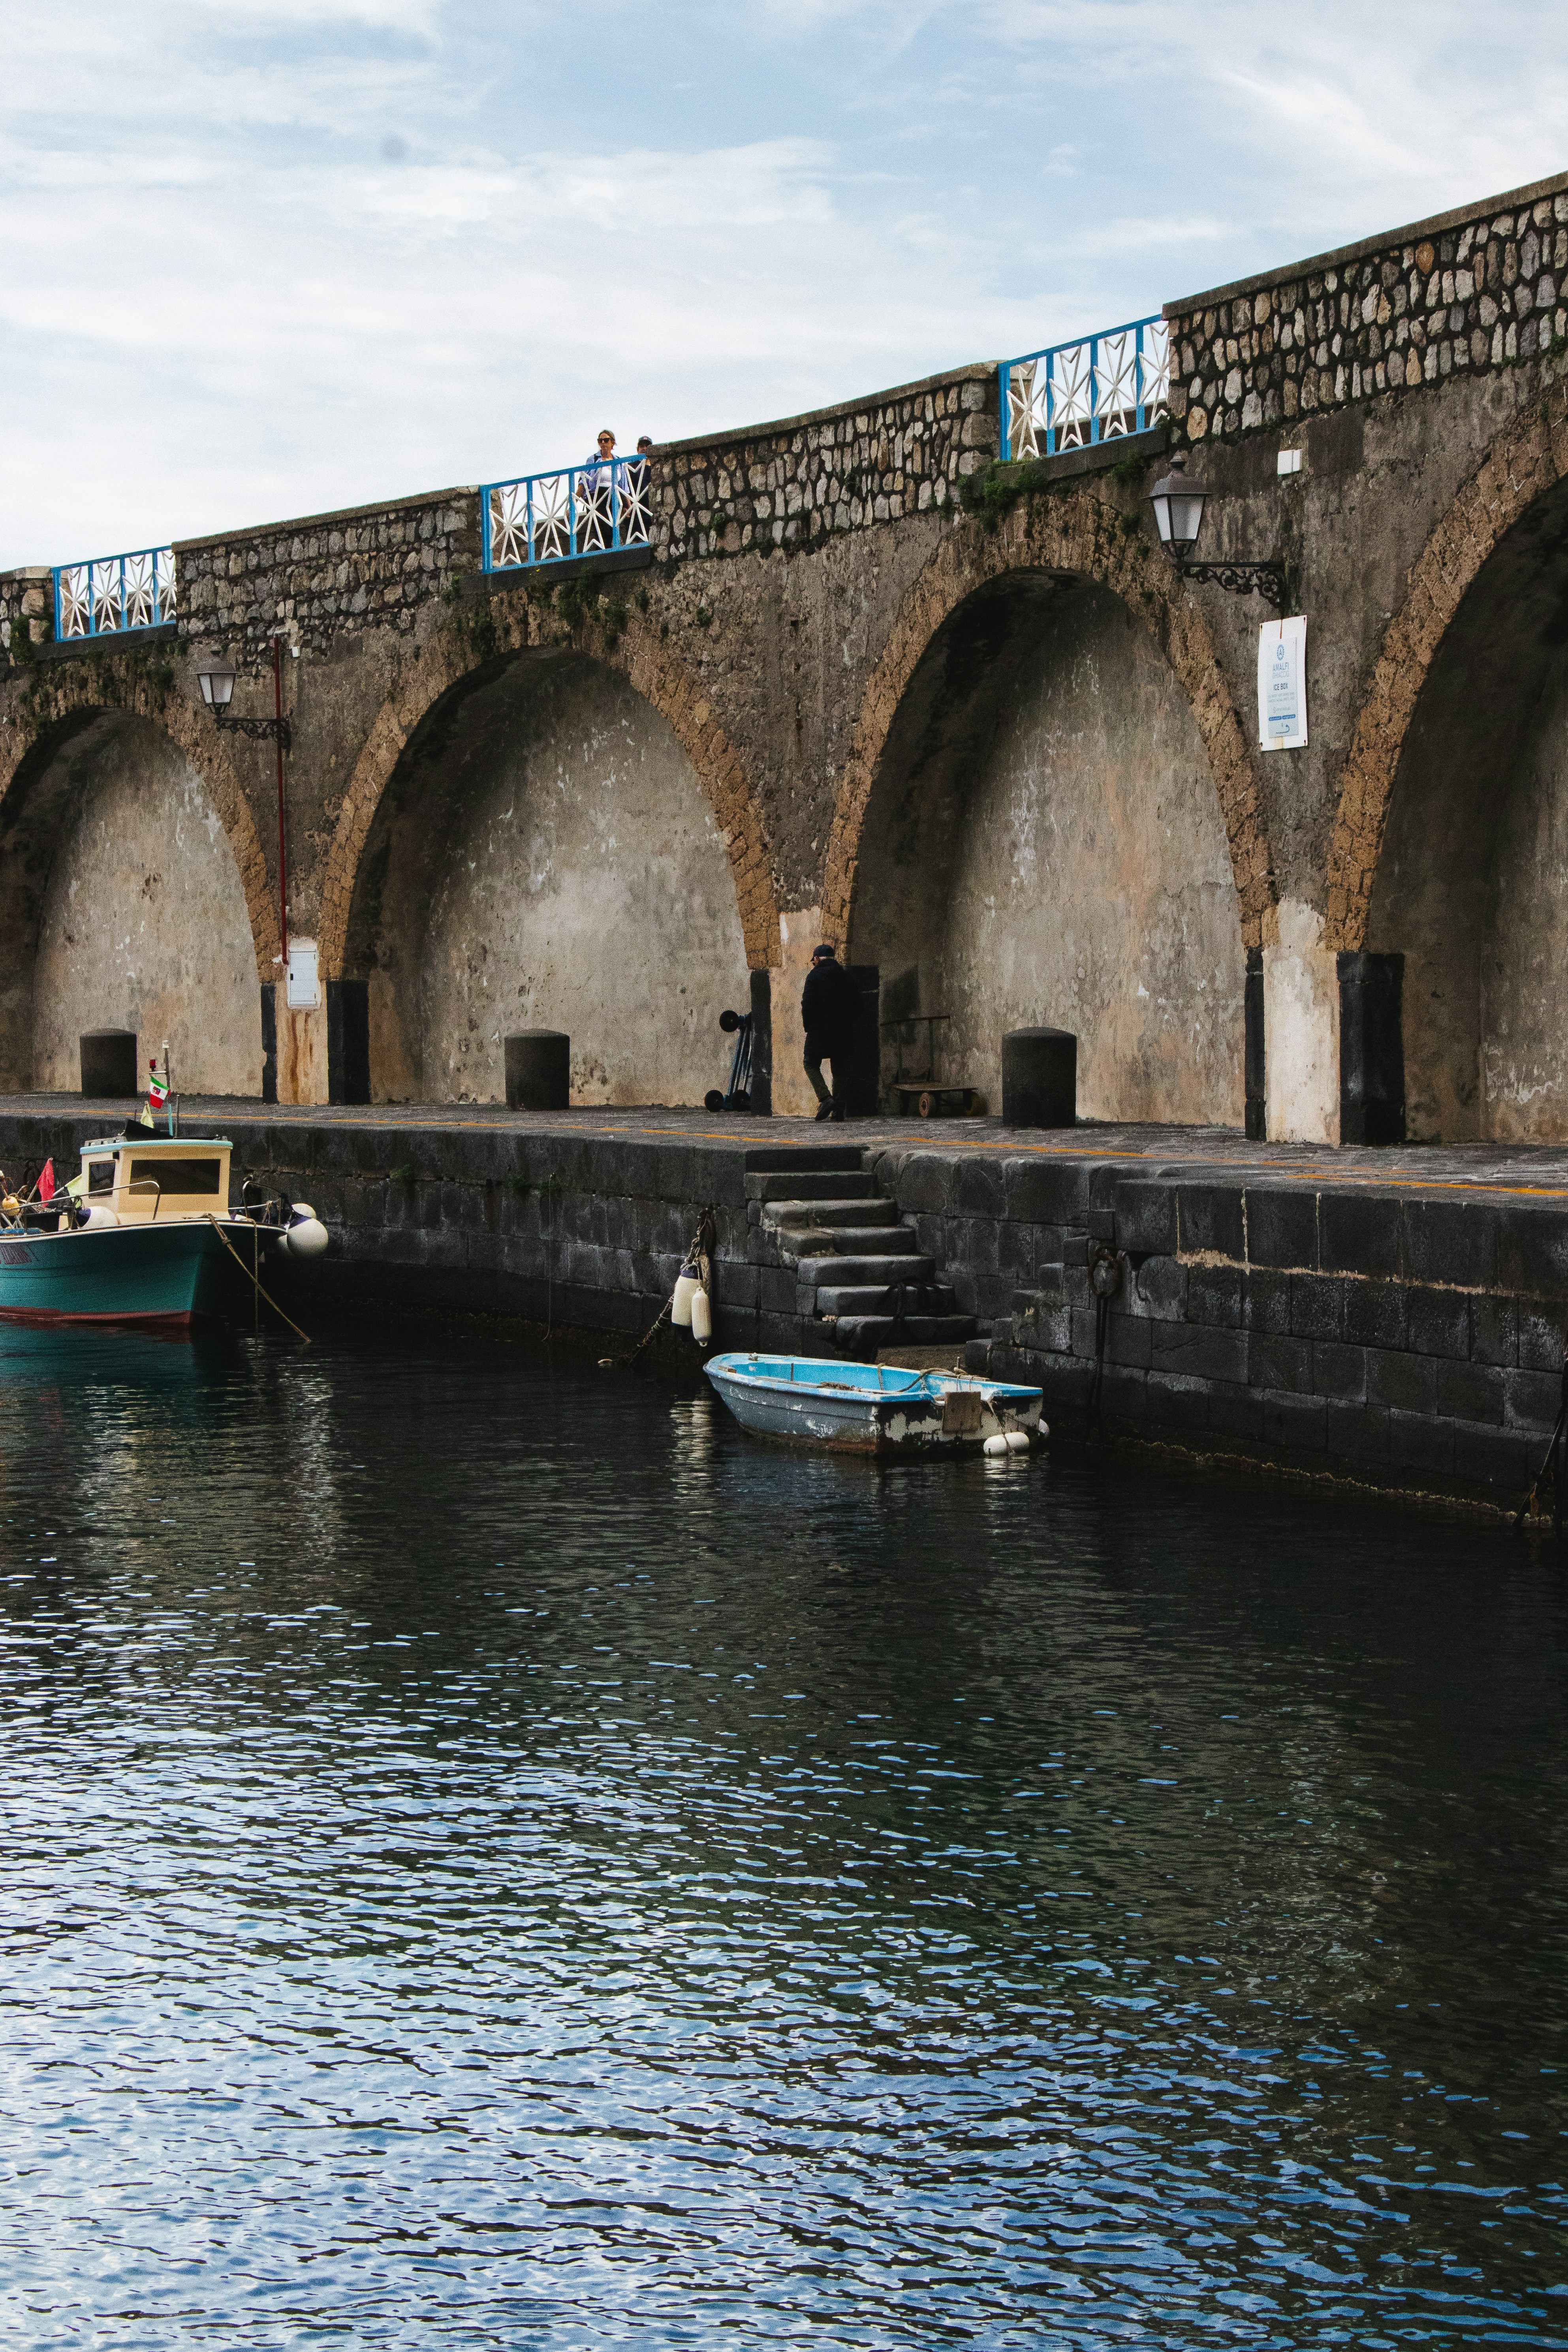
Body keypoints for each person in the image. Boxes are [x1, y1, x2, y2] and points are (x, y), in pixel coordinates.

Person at [801, 942, 859, 1121]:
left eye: (814, 961)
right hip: (843, 1031)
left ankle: (826, 1099)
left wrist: (809, 1027)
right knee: (840, 1067)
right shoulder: (846, 977)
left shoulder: (814, 977)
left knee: (810, 1063)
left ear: (817, 959)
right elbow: (859, 1006)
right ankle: (839, 1110)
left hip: (819, 1031)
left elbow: (808, 1006)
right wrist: (848, 1022)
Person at [579, 427, 617, 546]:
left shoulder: (618, 460)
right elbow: (583, 482)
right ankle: (604, 558)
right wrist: (573, 501)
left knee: (612, 531)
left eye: (606, 440)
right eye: (600, 441)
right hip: (597, 497)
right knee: (602, 532)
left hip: (614, 497)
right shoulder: (593, 460)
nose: (603, 443)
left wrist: (628, 505)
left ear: (613, 442)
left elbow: (624, 485)